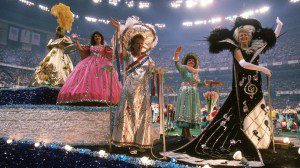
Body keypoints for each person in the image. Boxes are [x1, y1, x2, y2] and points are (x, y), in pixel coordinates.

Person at [169, 17, 283, 165]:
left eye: (246, 35)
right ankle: (246, 139)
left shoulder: (256, 47)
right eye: (241, 35)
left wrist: (279, 25)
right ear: (238, 37)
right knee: (242, 110)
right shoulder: (236, 49)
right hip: (241, 86)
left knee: (257, 108)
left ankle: (258, 140)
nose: (243, 36)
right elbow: (242, 63)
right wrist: (262, 68)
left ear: (250, 37)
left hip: (255, 84)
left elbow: (272, 38)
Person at [110, 16, 158, 152]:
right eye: (137, 43)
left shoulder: (148, 59)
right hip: (129, 89)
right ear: (132, 44)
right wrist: (119, 29)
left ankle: (140, 142)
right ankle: (128, 141)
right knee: (129, 115)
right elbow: (118, 47)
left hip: (143, 91)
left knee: (142, 116)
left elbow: (153, 72)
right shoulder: (128, 56)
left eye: (141, 43)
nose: (139, 45)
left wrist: (157, 73)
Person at [56, 31, 122, 106]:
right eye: (95, 36)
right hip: (89, 63)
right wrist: (76, 40)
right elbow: (81, 49)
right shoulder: (90, 46)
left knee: (101, 80)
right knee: (89, 78)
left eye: (98, 36)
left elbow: (112, 54)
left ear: (101, 38)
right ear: (94, 38)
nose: (97, 37)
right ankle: (86, 97)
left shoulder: (105, 47)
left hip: (102, 64)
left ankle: (102, 97)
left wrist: (117, 45)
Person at [173, 46, 207, 140]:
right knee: (186, 111)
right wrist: (176, 54)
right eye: (189, 61)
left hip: (193, 92)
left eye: (193, 61)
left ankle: (184, 133)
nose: (191, 62)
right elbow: (176, 63)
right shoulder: (184, 69)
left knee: (191, 111)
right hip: (186, 91)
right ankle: (187, 133)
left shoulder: (195, 73)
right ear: (186, 62)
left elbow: (198, 84)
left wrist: (205, 83)